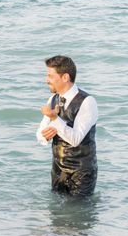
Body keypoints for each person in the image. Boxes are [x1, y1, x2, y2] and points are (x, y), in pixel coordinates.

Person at [36, 55, 98, 197]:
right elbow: (40, 133)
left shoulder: (87, 102)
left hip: (81, 173)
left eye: (50, 76)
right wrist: (44, 136)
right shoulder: (53, 99)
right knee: (56, 218)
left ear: (65, 77)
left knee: (78, 216)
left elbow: (76, 139)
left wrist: (54, 118)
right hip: (58, 170)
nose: (47, 80)